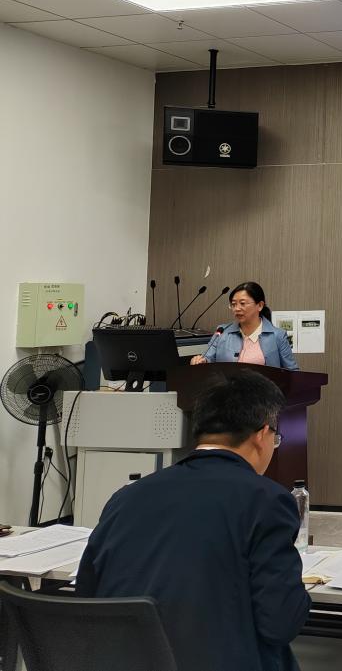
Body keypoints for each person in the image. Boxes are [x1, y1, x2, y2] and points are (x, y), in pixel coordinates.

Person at [78, 372, 309, 671]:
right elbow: (280, 623)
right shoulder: (267, 500)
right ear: (262, 434)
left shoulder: (127, 497)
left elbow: (86, 596)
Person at [192, 282, 297, 369]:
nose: (237, 309)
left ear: (260, 305)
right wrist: (200, 361)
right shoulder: (222, 331)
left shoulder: (278, 336)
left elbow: (292, 373)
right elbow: (208, 358)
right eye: (233, 304)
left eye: (242, 303)